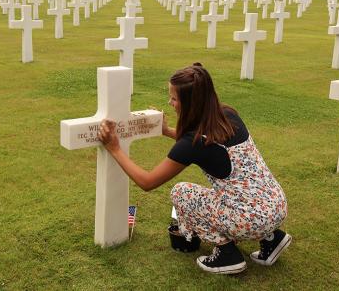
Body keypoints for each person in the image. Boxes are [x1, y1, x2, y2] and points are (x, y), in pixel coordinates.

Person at [97, 63, 291, 274]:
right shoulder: (227, 115)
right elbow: (203, 144)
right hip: (276, 206)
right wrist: (166, 131)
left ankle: (227, 255)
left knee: (182, 193)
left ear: (191, 103)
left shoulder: (193, 143)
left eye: (174, 98)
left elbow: (147, 182)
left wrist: (114, 149)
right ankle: (272, 238)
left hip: (250, 218)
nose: (170, 103)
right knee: (239, 198)